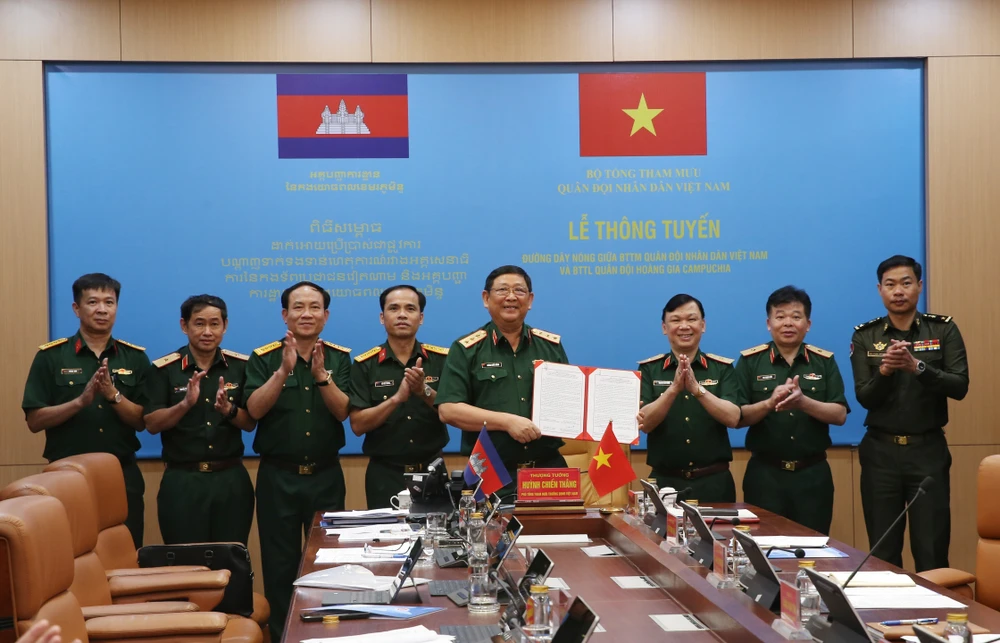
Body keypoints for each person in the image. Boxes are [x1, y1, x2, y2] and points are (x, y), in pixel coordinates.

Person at [244, 281, 352, 639]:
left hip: (326, 476)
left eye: (315, 307)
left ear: (326, 314)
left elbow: (343, 414)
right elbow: (253, 411)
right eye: (298, 307)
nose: (306, 314)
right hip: (278, 477)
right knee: (279, 568)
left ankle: (325, 636)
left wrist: (322, 377)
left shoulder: (340, 358)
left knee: (328, 566)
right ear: (285, 314)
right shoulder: (263, 358)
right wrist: (283, 371)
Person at [850, 255, 968, 571]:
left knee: (931, 550)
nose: (898, 291)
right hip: (880, 454)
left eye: (905, 283)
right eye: (890, 285)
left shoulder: (943, 330)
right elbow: (865, 398)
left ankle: (934, 618)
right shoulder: (865, 336)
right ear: (880, 290)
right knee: (882, 551)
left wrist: (918, 367)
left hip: (927, 452)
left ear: (919, 286)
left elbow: (959, 386)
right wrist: (886, 371)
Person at [22, 273, 149, 547]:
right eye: (92, 302)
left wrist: (113, 395)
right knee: (71, 556)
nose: (102, 309)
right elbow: (34, 420)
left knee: (124, 553)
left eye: (109, 302)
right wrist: (79, 402)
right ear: (76, 308)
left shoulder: (135, 358)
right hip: (67, 476)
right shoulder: (51, 357)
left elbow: (142, 421)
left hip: (121, 475)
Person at [437, 265, 568, 498]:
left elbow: (570, 404)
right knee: (488, 534)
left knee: (557, 532)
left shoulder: (551, 347)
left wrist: (611, 415)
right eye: (502, 290)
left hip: (547, 471)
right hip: (491, 470)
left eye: (519, 290)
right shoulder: (466, 349)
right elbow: (448, 410)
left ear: (530, 300)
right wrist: (506, 422)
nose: (511, 297)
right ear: (486, 298)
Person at [734, 285, 849, 535]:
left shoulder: (824, 362)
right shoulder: (750, 362)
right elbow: (738, 417)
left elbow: (840, 415)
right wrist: (768, 403)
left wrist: (803, 402)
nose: (788, 323)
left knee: (812, 551)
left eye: (796, 317)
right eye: (781, 316)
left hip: (813, 476)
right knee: (761, 549)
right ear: (768, 323)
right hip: (764, 475)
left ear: (807, 324)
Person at [143, 295, 255, 545]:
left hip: (231, 479)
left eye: (214, 324)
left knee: (232, 558)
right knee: (185, 564)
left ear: (225, 326)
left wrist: (229, 410)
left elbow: (250, 423)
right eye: (199, 323)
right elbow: (151, 423)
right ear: (184, 326)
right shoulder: (164, 369)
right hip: (183, 481)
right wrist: (184, 405)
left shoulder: (240, 367)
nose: (207, 331)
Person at [349, 285, 450, 509]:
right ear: (382, 317)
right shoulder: (365, 364)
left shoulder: (443, 360)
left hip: (432, 471)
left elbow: (452, 413)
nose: (402, 314)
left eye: (410, 309)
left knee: (436, 540)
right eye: (394, 308)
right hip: (385, 474)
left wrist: (423, 390)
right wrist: (396, 399)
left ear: (420, 318)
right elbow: (357, 425)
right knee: (386, 541)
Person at [636, 294, 740, 502]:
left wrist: (696, 389)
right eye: (676, 320)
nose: (684, 326)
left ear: (703, 325)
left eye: (691, 319)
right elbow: (645, 423)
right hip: (665, 483)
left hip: (715, 482)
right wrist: (674, 389)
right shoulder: (649, 369)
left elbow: (733, 417)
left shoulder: (722, 368)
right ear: (664, 328)